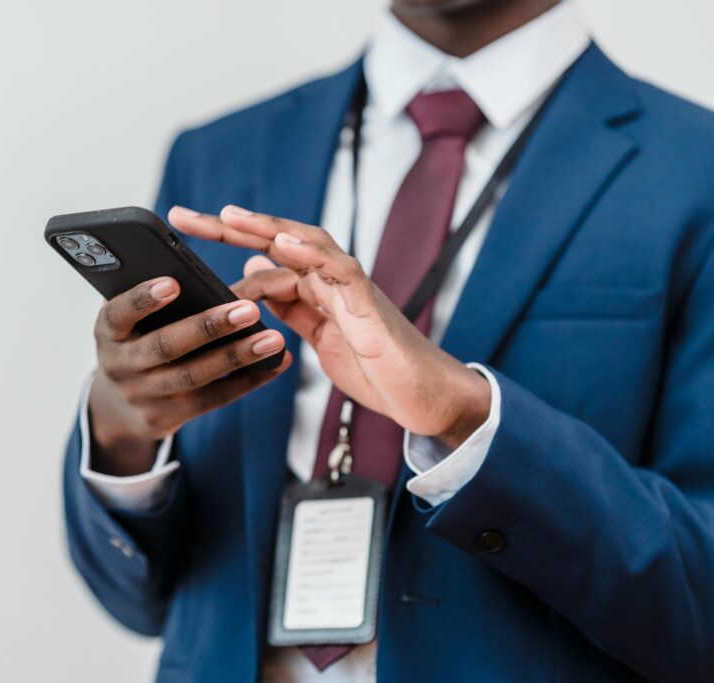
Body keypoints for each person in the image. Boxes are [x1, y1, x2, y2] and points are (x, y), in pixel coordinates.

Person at [61, 0, 714, 680]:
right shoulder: (217, 154)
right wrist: (123, 432)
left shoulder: (696, 171)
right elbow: (136, 596)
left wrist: (466, 414)